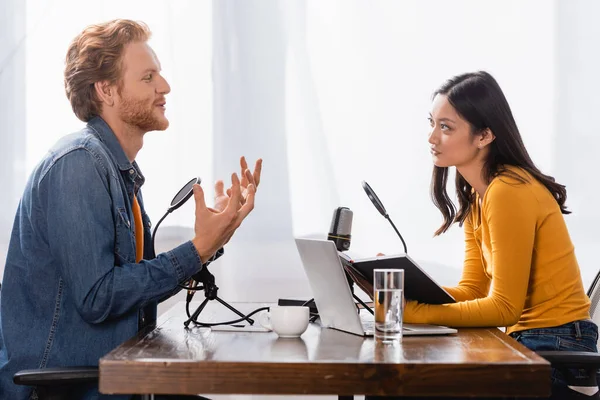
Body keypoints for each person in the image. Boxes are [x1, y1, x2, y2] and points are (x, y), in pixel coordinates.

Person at [0, 19, 262, 400]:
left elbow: (137, 283)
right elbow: (99, 298)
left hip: (117, 379)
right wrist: (198, 249)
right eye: (148, 77)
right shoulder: (78, 165)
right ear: (106, 89)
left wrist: (215, 235)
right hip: (68, 390)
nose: (165, 87)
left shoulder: (115, 169)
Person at [369, 71, 597, 400]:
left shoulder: (508, 190)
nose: (432, 137)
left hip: (558, 351)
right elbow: (473, 289)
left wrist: (417, 313)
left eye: (446, 127)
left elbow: (504, 307)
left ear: (484, 135)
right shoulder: (481, 196)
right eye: (432, 123)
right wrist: (406, 291)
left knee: (409, 387)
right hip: (535, 345)